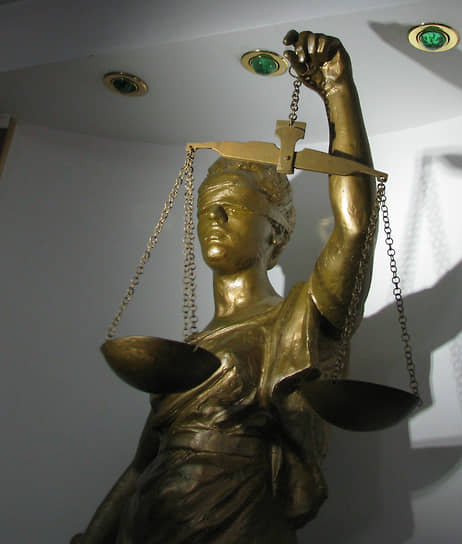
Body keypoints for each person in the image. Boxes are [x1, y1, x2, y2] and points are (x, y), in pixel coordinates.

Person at [73, 29, 376, 543]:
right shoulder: (189, 351)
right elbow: (141, 464)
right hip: (149, 526)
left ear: (275, 234)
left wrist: (338, 92)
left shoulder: (298, 319)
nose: (213, 219)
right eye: (206, 208)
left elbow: (355, 227)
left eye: (232, 207)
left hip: (238, 522)